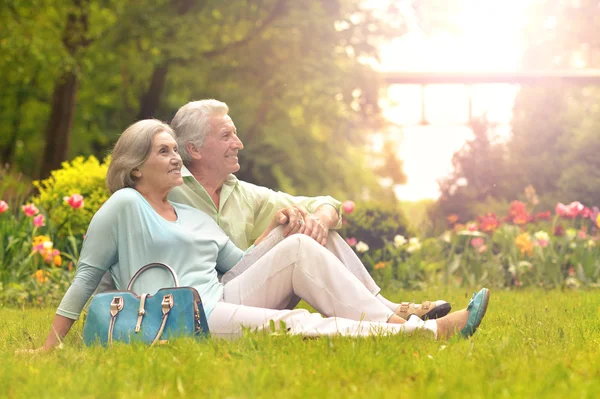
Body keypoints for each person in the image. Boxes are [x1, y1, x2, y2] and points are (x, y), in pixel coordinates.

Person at [37, 120, 490, 350]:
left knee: (297, 245)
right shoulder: (125, 206)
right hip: (182, 317)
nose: (176, 159)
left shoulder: (192, 217)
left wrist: (278, 228)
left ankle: (396, 321)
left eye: (177, 150)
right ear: (135, 167)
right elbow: (86, 276)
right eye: (163, 152)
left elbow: (238, 265)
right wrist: (51, 345)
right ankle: (419, 335)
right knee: (293, 323)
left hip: (221, 296)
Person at [167, 99, 450, 320]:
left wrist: (320, 218)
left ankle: (386, 310)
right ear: (194, 149)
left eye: (236, 135)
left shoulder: (243, 193)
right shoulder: (166, 190)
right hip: (206, 301)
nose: (238, 144)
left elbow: (325, 203)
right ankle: (391, 319)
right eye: (227, 135)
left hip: (246, 290)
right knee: (301, 235)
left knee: (310, 225)